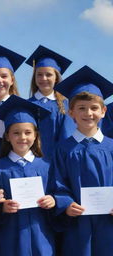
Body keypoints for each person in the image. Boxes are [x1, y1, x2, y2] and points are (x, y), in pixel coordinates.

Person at [50, 65, 113, 256]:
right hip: (78, 225)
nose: (88, 113)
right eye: (82, 108)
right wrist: (66, 205)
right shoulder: (63, 149)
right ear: (71, 113)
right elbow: (57, 184)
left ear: (103, 111)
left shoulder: (111, 147)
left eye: (94, 108)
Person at [0, 95, 55, 256]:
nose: (23, 137)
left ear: (35, 135)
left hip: (42, 237)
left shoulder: (47, 167)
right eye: (16, 133)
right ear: (7, 136)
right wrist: (0, 207)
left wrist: (53, 200)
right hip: (9, 238)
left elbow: (59, 195)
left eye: (28, 132)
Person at [26, 45, 75, 162]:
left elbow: (67, 137)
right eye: (39, 74)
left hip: (58, 163)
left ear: (56, 78)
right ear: (34, 77)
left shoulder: (65, 105)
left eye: (48, 74)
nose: (43, 78)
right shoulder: (26, 105)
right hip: (32, 164)